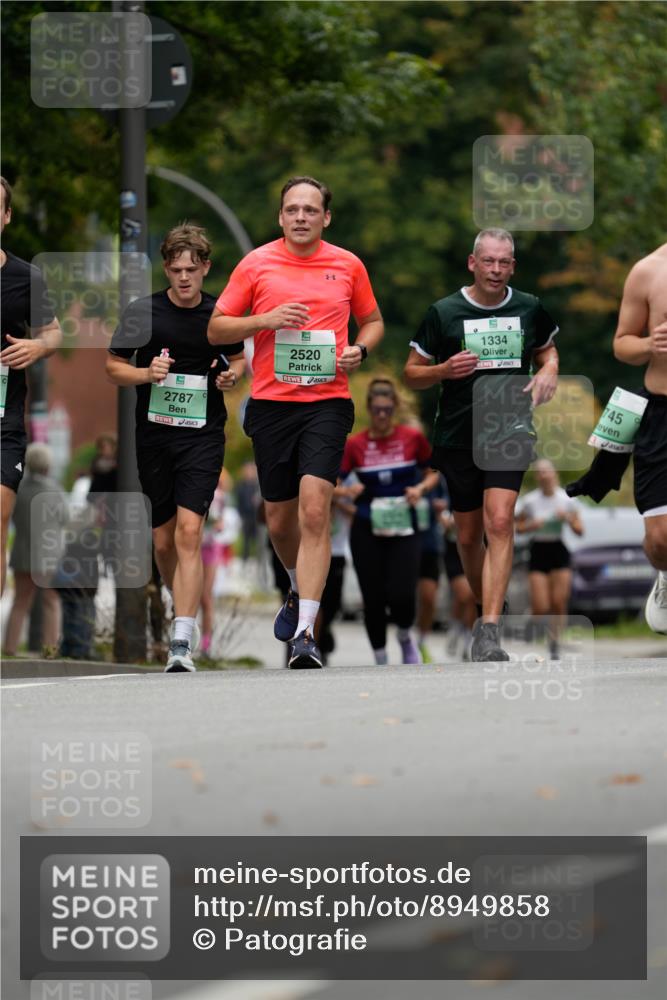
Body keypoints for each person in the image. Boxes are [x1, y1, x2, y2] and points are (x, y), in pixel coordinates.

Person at [208, 176, 384, 668]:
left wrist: (360, 349)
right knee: (280, 520)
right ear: (280, 217)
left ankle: (305, 632)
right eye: (292, 210)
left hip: (327, 402)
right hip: (271, 406)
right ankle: (294, 584)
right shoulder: (257, 263)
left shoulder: (347, 264)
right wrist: (263, 321)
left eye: (311, 209)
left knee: (313, 510)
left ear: (326, 217)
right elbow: (217, 326)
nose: (301, 217)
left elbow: (373, 321)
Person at [404, 228, 559, 661]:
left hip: (510, 430)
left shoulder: (529, 307)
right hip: (458, 436)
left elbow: (548, 350)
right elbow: (411, 372)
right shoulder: (444, 312)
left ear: (513, 266)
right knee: (469, 536)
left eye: (504, 262)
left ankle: (490, 627)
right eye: (488, 261)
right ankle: (487, 603)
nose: (496, 270)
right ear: (473, 263)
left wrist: (549, 371)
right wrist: (443, 370)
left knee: (500, 521)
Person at [106, 223, 245, 672]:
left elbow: (238, 357)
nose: (184, 277)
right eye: (176, 269)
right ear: (166, 268)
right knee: (163, 542)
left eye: (192, 269)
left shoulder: (220, 315)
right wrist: (147, 375)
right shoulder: (142, 312)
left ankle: (182, 640)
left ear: (206, 267)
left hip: (203, 436)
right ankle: (177, 597)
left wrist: (231, 375)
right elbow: (112, 367)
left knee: (189, 533)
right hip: (154, 437)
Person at [338, 378, 439, 665]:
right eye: (377, 410)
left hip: (403, 525)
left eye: (387, 410)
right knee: (373, 597)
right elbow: (329, 486)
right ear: (369, 409)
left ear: (394, 409)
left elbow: (434, 471)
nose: (382, 415)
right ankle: (380, 657)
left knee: (403, 594)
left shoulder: (411, 438)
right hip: (366, 527)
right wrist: (346, 491)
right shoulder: (355, 444)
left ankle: (406, 636)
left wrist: (420, 489)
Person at [1, 176, 62, 595]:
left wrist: (37, 348)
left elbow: (54, 332)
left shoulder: (26, 278)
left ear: (6, 216)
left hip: (3, 423)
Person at [612, 243, 667, 634]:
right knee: (661, 539)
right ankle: (665, 576)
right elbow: (622, 343)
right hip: (661, 413)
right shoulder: (648, 270)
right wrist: (649, 344)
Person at [515, 459, 583, 659]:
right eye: (540, 472)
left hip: (559, 549)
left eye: (547, 471)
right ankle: (533, 619)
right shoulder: (530, 501)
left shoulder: (567, 500)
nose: (544, 475)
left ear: (555, 474)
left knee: (559, 602)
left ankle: (554, 643)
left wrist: (569, 519)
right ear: (537, 477)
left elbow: (580, 530)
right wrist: (531, 526)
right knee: (541, 605)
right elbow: (517, 528)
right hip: (538, 550)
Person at [2, 443, 66, 655]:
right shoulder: (54, 490)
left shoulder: (18, 488)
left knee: (20, 601)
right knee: (51, 602)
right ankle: (50, 649)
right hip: (48, 555)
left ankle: (10, 648)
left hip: (22, 551)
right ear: (47, 465)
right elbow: (65, 518)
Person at [440, 504, 477, 660]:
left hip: (476, 549)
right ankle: (456, 629)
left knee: (474, 596)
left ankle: (469, 639)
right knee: (464, 595)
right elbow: (442, 525)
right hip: (454, 553)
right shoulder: (446, 497)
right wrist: (448, 524)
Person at [234, 461, 261, 563]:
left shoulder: (257, 486)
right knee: (246, 540)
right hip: (245, 516)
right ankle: (245, 561)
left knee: (258, 540)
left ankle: (258, 560)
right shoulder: (241, 486)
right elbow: (239, 501)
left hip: (257, 516)